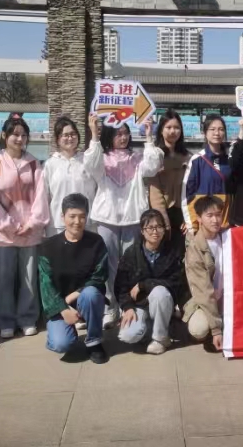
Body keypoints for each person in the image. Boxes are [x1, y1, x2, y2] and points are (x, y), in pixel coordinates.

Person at [85, 115, 164, 330]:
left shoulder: (136, 159)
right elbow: (90, 164)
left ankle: (127, 304)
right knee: (108, 264)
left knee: (131, 264)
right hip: (107, 218)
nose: (123, 137)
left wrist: (149, 136)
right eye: (118, 134)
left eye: (126, 133)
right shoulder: (102, 158)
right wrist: (94, 134)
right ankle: (110, 308)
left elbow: (153, 165)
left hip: (132, 217)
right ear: (110, 135)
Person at [0, 115, 49, 339]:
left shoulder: (34, 164)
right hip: (4, 234)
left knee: (29, 278)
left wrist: (33, 223)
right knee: (5, 278)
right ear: (4, 136)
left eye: (23, 135)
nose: (19, 139)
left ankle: (28, 318)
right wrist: (9, 225)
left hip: (30, 232)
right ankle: (5, 320)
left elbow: (41, 196)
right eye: (15, 135)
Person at [38, 193, 108, 364]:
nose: (77, 221)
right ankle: (65, 333)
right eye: (72, 216)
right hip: (58, 305)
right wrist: (63, 309)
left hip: (86, 300)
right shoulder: (48, 247)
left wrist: (71, 297)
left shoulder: (96, 242)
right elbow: (46, 286)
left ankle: (94, 342)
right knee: (61, 344)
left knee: (91, 294)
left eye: (82, 216)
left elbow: (99, 277)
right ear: (63, 217)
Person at [116, 209, 184, 355]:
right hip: (139, 304)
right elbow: (121, 285)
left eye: (159, 226)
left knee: (159, 292)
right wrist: (127, 307)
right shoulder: (132, 253)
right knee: (127, 335)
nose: (155, 231)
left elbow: (176, 282)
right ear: (142, 231)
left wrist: (144, 284)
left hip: (162, 302)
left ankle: (160, 338)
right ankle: (153, 327)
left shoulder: (172, 252)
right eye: (150, 227)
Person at [183, 196, 229, 351]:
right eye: (209, 216)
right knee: (198, 329)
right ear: (199, 218)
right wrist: (216, 330)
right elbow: (203, 291)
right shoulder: (195, 248)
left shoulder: (228, 236)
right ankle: (210, 328)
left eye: (218, 215)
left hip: (228, 297)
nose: (215, 220)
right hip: (206, 299)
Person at [43, 116, 97, 238]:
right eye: (65, 135)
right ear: (58, 139)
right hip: (58, 224)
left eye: (73, 134)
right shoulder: (50, 164)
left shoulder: (87, 160)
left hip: (85, 223)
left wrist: (94, 133)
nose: (70, 138)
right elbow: (45, 197)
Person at [182, 115, 234, 232]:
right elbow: (187, 195)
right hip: (203, 227)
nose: (217, 133)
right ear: (205, 133)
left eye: (221, 129)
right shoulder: (197, 160)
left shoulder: (230, 159)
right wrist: (192, 224)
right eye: (212, 129)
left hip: (224, 224)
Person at [149, 110, 191, 253]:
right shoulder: (155, 156)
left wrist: (189, 218)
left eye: (177, 127)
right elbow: (155, 193)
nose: (173, 131)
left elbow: (192, 188)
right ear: (161, 130)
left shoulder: (188, 157)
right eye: (168, 127)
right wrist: (163, 221)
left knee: (182, 253)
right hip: (161, 213)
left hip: (183, 212)